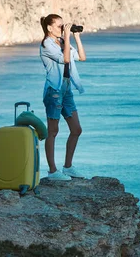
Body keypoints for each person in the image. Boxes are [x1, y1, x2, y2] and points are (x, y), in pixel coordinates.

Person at [39, 14, 87, 181]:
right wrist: (66, 36)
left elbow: (81, 57)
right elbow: (65, 59)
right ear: (49, 28)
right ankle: (52, 171)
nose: (62, 29)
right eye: (59, 26)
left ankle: (68, 167)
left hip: (66, 89)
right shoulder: (47, 45)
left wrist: (75, 37)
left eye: (63, 26)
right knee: (52, 131)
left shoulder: (62, 42)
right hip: (54, 90)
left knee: (76, 129)